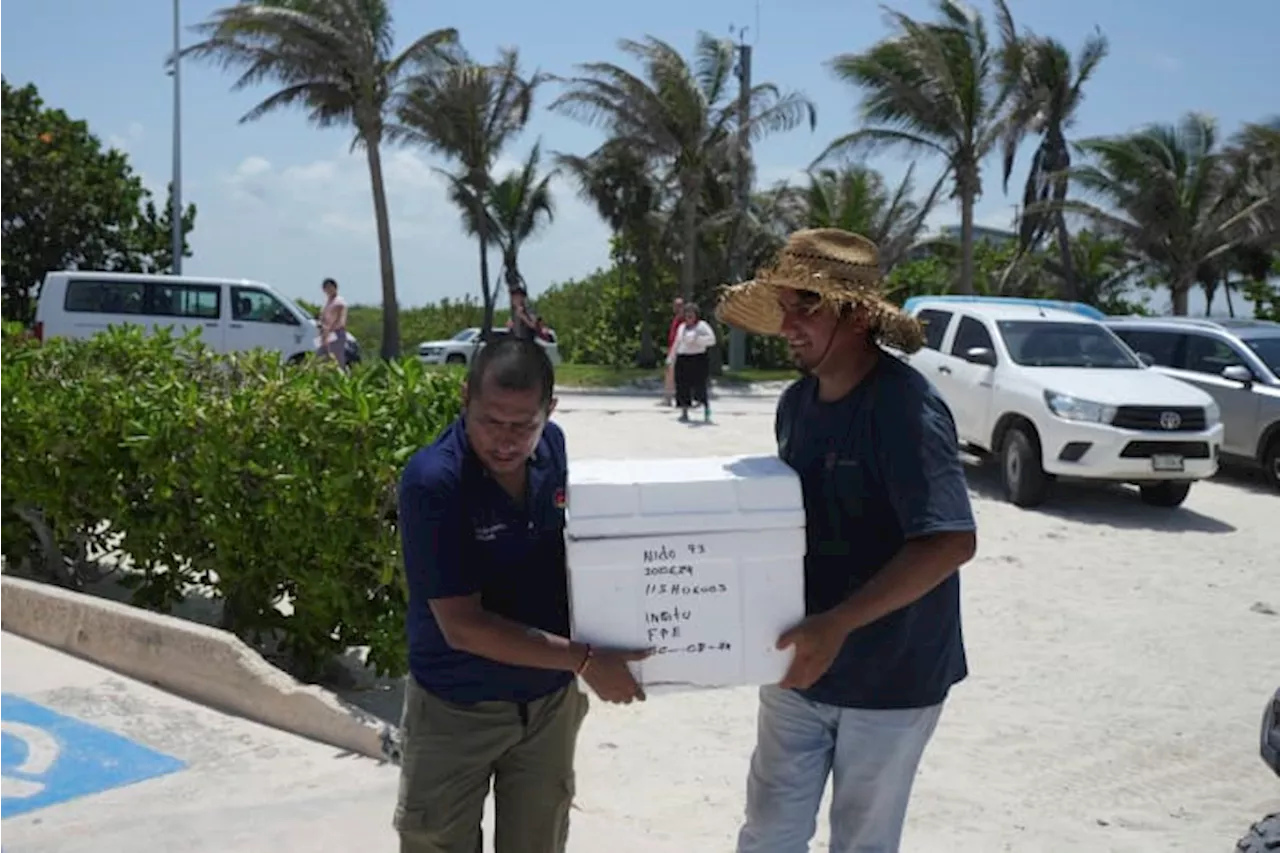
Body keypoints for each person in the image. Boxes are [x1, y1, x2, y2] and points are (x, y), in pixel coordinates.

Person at [715, 228, 978, 853]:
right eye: (783, 305)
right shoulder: (795, 405)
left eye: (807, 306)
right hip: (798, 667)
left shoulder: (905, 410)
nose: (788, 324)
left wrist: (837, 623)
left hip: (893, 677)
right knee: (768, 833)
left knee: (863, 842)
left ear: (857, 315)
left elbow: (949, 542)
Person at [394, 336, 651, 853]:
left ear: (549, 411)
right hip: (455, 709)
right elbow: (462, 626)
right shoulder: (433, 482)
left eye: (523, 425)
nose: (505, 440)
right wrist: (586, 660)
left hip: (546, 710)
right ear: (465, 398)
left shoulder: (552, 448)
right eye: (491, 420)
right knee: (435, 841)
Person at [671, 302, 717, 423]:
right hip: (683, 358)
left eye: (691, 314)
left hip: (698, 358)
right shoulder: (682, 327)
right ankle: (684, 411)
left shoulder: (702, 326)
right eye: (687, 314)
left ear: (696, 315)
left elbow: (712, 340)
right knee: (682, 385)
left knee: (699, 385)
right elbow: (677, 342)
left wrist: (698, 340)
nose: (689, 317)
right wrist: (671, 357)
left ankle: (706, 409)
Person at [319, 277, 348, 368]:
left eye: (330, 287)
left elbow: (339, 320)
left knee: (337, 360)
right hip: (325, 333)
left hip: (336, 333)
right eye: (326, 288)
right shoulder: (327, 302)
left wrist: (329, 330)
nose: (328, 290)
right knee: (321, 358)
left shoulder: (339, 302)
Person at [663, 297, 685, 407]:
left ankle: (672, 398)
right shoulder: (676, 318)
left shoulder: (683, 319)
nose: (676, 308)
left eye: (679, 305)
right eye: (675, 305)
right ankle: (668, 398)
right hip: (672, 349)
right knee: (669, 373)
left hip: (678, 350)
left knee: (673, 374)